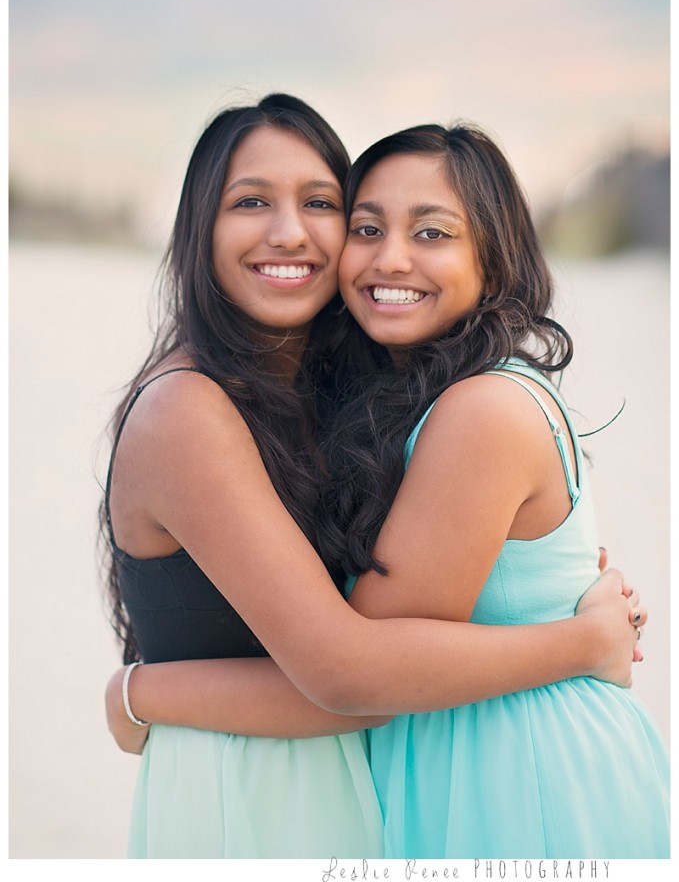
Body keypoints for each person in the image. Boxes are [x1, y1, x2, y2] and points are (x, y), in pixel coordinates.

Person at [103, 99, 647, 859]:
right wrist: (582, 640)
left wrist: (140, 694)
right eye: (250, 201)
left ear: (493, 258)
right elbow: (351, 670)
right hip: (250, 794)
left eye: (320, 204)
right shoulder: (190, 409)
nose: (290, 232)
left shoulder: (429, 403)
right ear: (199, 228)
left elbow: (360, 667)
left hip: (477, 781)